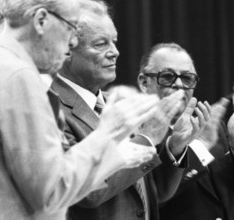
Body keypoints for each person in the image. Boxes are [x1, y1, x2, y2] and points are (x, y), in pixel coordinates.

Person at [0, 0, 166, 219]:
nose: (72, 43)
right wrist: (106, 133)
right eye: (71, 28)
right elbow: (50, 192)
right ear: (41, 20)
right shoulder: (19, 77)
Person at [50, 1, 210, 220]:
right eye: (100, 44)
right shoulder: (50, 105)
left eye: (114, 42)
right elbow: (87, 193)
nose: (114, 52)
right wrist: (147, 138)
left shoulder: (119, 104)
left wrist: (176, 146)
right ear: (68, 49)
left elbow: (155, 193)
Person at [138, 43, 234, 220]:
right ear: (144, 82)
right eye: (168, 76)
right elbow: (151, 199)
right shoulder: (137, 134)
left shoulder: (211, 125)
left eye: (187, 78)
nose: (179, 84)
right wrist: (198, 148)